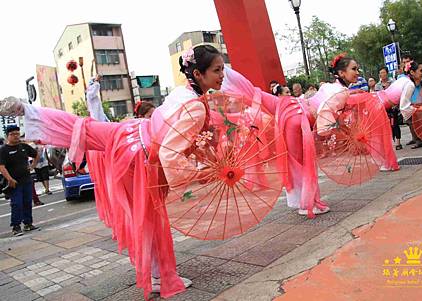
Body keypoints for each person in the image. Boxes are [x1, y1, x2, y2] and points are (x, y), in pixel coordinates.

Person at [0, 45, 235, 298]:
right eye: (217, 70)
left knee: (85, 127)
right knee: (153, 223)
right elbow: (170, 152)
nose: (222, 75)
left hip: (130, 134)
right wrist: (197, 175)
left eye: (222, 69)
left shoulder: (182, 92)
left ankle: (28, 110)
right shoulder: (197, 106)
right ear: (198, 74)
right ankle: (161, 276)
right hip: (143, 158)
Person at [222, 63, 329, 217]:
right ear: (278, 94)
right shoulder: (275, 103)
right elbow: (248, 89)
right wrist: (225, 71)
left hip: (296, 133)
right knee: (299, 165)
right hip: (274, 139)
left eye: (289, 91)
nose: (289, 93)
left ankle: (305, 200)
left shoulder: (295, 103)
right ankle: (305, 202)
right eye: (285, 92)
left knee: (303, 165)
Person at [312, 54, 399, 172]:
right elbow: (324, 118)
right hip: (302, 120)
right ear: (342, 73)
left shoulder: (334, 87)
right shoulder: (340, 91)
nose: (358, 72)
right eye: (354, 69)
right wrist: (344, 132)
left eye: (357, 69)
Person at [0, 125, 40, 236]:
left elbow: (36, 154)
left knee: (27, 202)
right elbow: (1, 167)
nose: (16, 136)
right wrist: (9, 179)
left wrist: (32, 166)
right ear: (7, 136)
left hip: (26, 179)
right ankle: (16, 227)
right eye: (13, 134)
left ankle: (28, 224)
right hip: (13, 182)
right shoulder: (3, 150)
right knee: (16, 204)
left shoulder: (23, 146)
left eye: (17, 133)